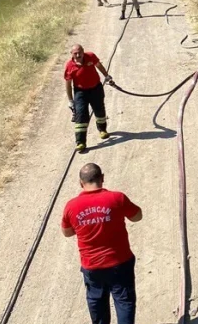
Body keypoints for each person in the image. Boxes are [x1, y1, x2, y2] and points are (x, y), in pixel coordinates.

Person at [61, 163, 142, 324]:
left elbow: (67, 232)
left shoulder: (71, 206)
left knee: (97, 304)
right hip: (120, 262)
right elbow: (137, 216)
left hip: (92, 267)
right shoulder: (116, 198)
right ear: (102, 178)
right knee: (124, 302)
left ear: (80, 183)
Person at [65, 44, 114, 152]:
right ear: (71, 54)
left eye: (80, 52)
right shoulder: (69, 66)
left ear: (83, 51)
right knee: (81, 115)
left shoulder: (90, 56)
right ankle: (81, 142)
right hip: (80, 92)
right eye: (75, 53)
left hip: (96, 88)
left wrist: (106, 76)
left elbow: (99, 66)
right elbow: (68, 84)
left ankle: (102, 130)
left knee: (99, 110)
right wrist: (70, 100)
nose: (78, 55)